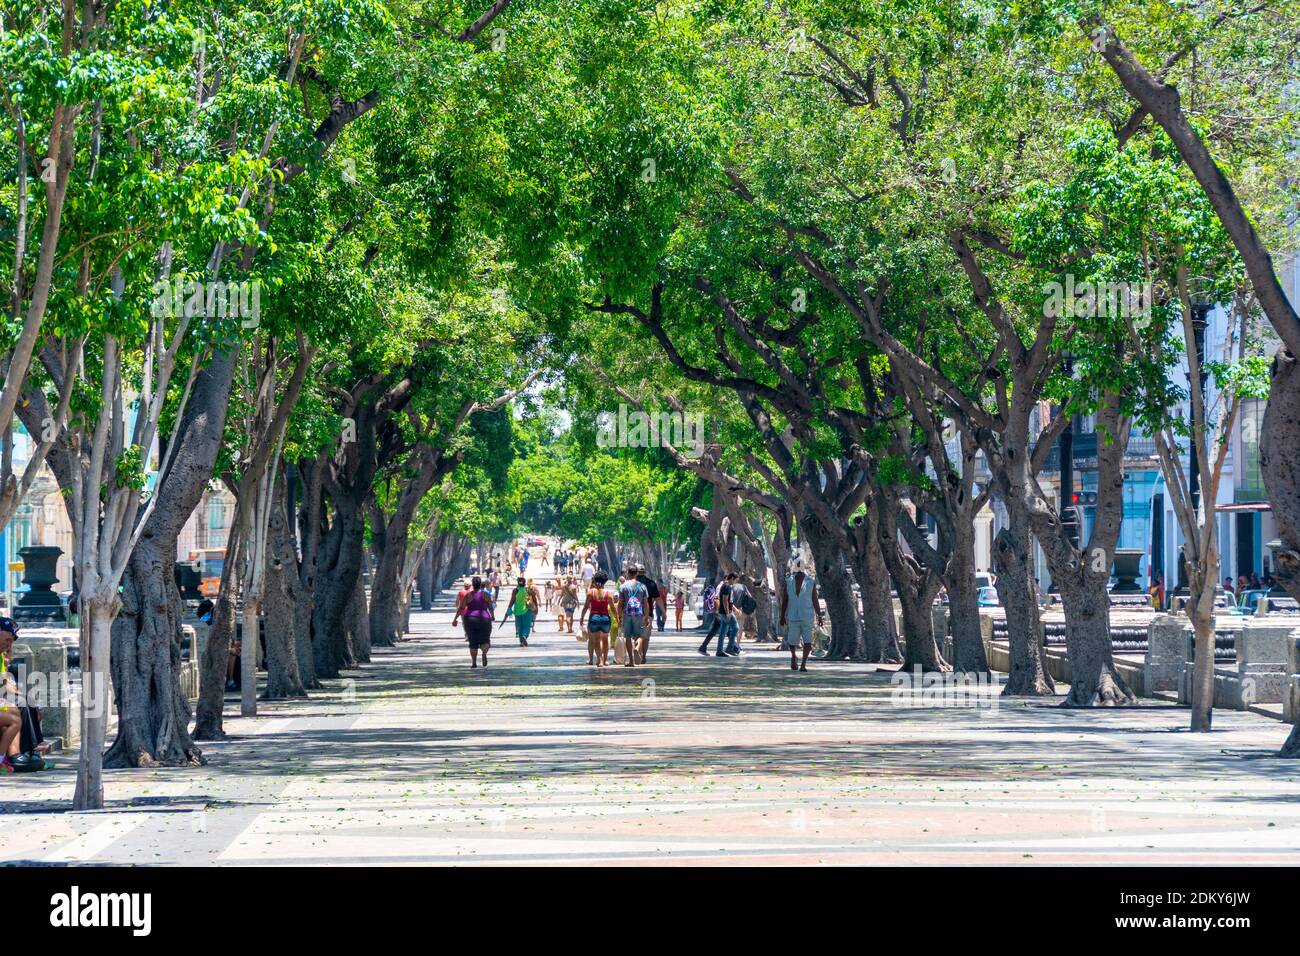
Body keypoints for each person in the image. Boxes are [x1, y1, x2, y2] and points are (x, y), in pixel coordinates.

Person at [779, 563, 823, 672]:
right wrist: (782, 615)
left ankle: (803, 663)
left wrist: (819, 616)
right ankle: (793, 657)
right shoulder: (789, 582)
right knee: (792, 641)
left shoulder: (810, 582)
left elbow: (815, 600)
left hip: (807, 616)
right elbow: (785, 600)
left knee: (808, 641)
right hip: (793, 616)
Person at [453, 576, 495, 668]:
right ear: (480, 584)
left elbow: (461, 608)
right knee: (485, 640)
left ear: (473, 584)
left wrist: (455, 619)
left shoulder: (468, 595)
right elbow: (490, 607)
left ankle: (474, 663)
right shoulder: (485, 594)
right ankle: (484, 653)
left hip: (470, 619)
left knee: (472, 641)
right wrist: (492, 616)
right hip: (484, 619)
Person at [580, 572, 617, 666]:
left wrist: (582, 617)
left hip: (594, 618)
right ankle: (605, 660)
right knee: (605, 640)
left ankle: (599, 660)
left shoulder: (591, 592)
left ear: (595, 580)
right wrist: (617, 618)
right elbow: (613, 608)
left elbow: (585, 607)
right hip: (605, 619)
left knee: (596, 640)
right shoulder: (608, 594)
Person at [618, 563, 650, 667]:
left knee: (627, 637)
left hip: (627, 614)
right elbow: (645, 603)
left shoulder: (623, 587)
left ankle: (631, 661)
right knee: (640, 635)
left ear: (627, 573)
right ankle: (637, 647)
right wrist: (646, 616)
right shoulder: (642, 586)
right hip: (639, 614)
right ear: (636, 574)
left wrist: (619, 616)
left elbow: (620, 603)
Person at [698, 573, 736, 657]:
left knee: (717, 630)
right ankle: (733, 648)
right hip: (721, 612)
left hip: (721, 612)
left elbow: (729, 601)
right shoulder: (722, 586)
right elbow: (717, 599)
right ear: (726, 579)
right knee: (730, 629)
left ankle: (703, 647)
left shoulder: (726, 586)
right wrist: (719, 612)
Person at [634, 567, 660, 661]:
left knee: (637, 635)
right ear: (645, 572)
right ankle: (643, 655)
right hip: (647, 613)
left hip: (633, 613)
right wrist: (664, 613)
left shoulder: (630, 584)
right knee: (645, 637)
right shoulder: (651, 583)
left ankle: (638, 651)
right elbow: (658, 599)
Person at [503, 576, 537, 646]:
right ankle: (525, 636)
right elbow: (534, 599)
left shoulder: (515, 591)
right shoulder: (528, 590)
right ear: (525, 583)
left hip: (517, 611)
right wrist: (536, 608)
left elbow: (512, 600)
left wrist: (509, 608)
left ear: (518, 582)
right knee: (527, 626)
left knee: (520, 626)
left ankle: (521, 641)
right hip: (527, 610)